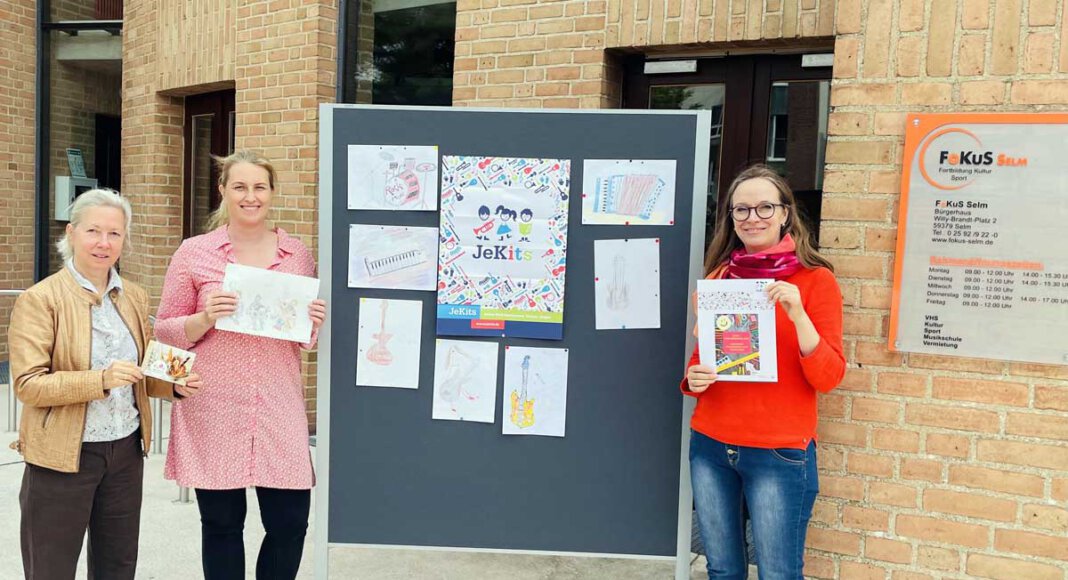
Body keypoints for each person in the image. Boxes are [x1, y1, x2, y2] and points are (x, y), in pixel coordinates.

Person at [9, 188, 203, 580]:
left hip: (125, 451)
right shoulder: (40, 299)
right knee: (51, 568)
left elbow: (144, 367)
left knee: (118, 566)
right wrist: (99, 380)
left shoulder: (132, 295)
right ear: (72, 233)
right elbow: (29, 385)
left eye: (115, 233)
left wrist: (175, 385)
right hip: (62, 455)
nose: (104, 242)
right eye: (94, 231)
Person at [154, 150, 327, 580]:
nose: (250, 196)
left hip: (278, 407)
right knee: (221, 526)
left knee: (290, 524)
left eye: (259, 187)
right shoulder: (194, 253)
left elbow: (303, 341)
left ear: (271, 193)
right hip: (214, 407)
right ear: (223, 192)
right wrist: (204, 317)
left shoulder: (297, 254)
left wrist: (314, 322)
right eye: (240, 187)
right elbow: (163, 332)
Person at [682, 165, 846, 579]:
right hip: (711, 443)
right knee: (722, 570)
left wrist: (797, 314)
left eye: (764, 207)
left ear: (786, 213)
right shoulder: (721, 277)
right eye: (741, 210)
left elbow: (828, 377)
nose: (752, 218)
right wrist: (694, 377)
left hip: (779, 451)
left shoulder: (814, 281)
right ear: (731, 218)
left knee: (778, 574)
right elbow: (705, 356)